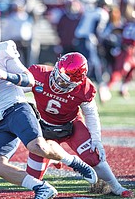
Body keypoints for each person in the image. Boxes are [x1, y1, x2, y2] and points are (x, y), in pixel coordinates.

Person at [0, 15, 98, 199]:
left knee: (38, 147)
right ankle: (41, 187)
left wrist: (4, 75)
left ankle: (73, 161)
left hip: (16, 108)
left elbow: (29, 79)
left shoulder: (2, 50)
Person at [24, 52, 133, 198]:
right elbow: (15, 91)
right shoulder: (38, 73)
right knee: (32, 178)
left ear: (78, 82)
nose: (57, 83)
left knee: (94, 157)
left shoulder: (84, 88)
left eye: (64, 83)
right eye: (57, 76)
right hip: (43, 126)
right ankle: (54, 156)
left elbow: (91, 114)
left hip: (71, 125)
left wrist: (96, 139)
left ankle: (116, 186)